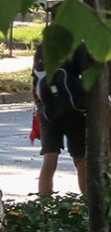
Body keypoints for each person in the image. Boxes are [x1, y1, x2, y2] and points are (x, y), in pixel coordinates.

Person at [32, 44, 89, 197]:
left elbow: (36, 81)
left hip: (48, 111)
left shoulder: (44, 46)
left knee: (49, 159)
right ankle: (88, 202)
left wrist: (40, 108)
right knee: (81, 159)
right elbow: (89, 77)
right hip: (74, 112)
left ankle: (45, 204)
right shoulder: (77, 46)